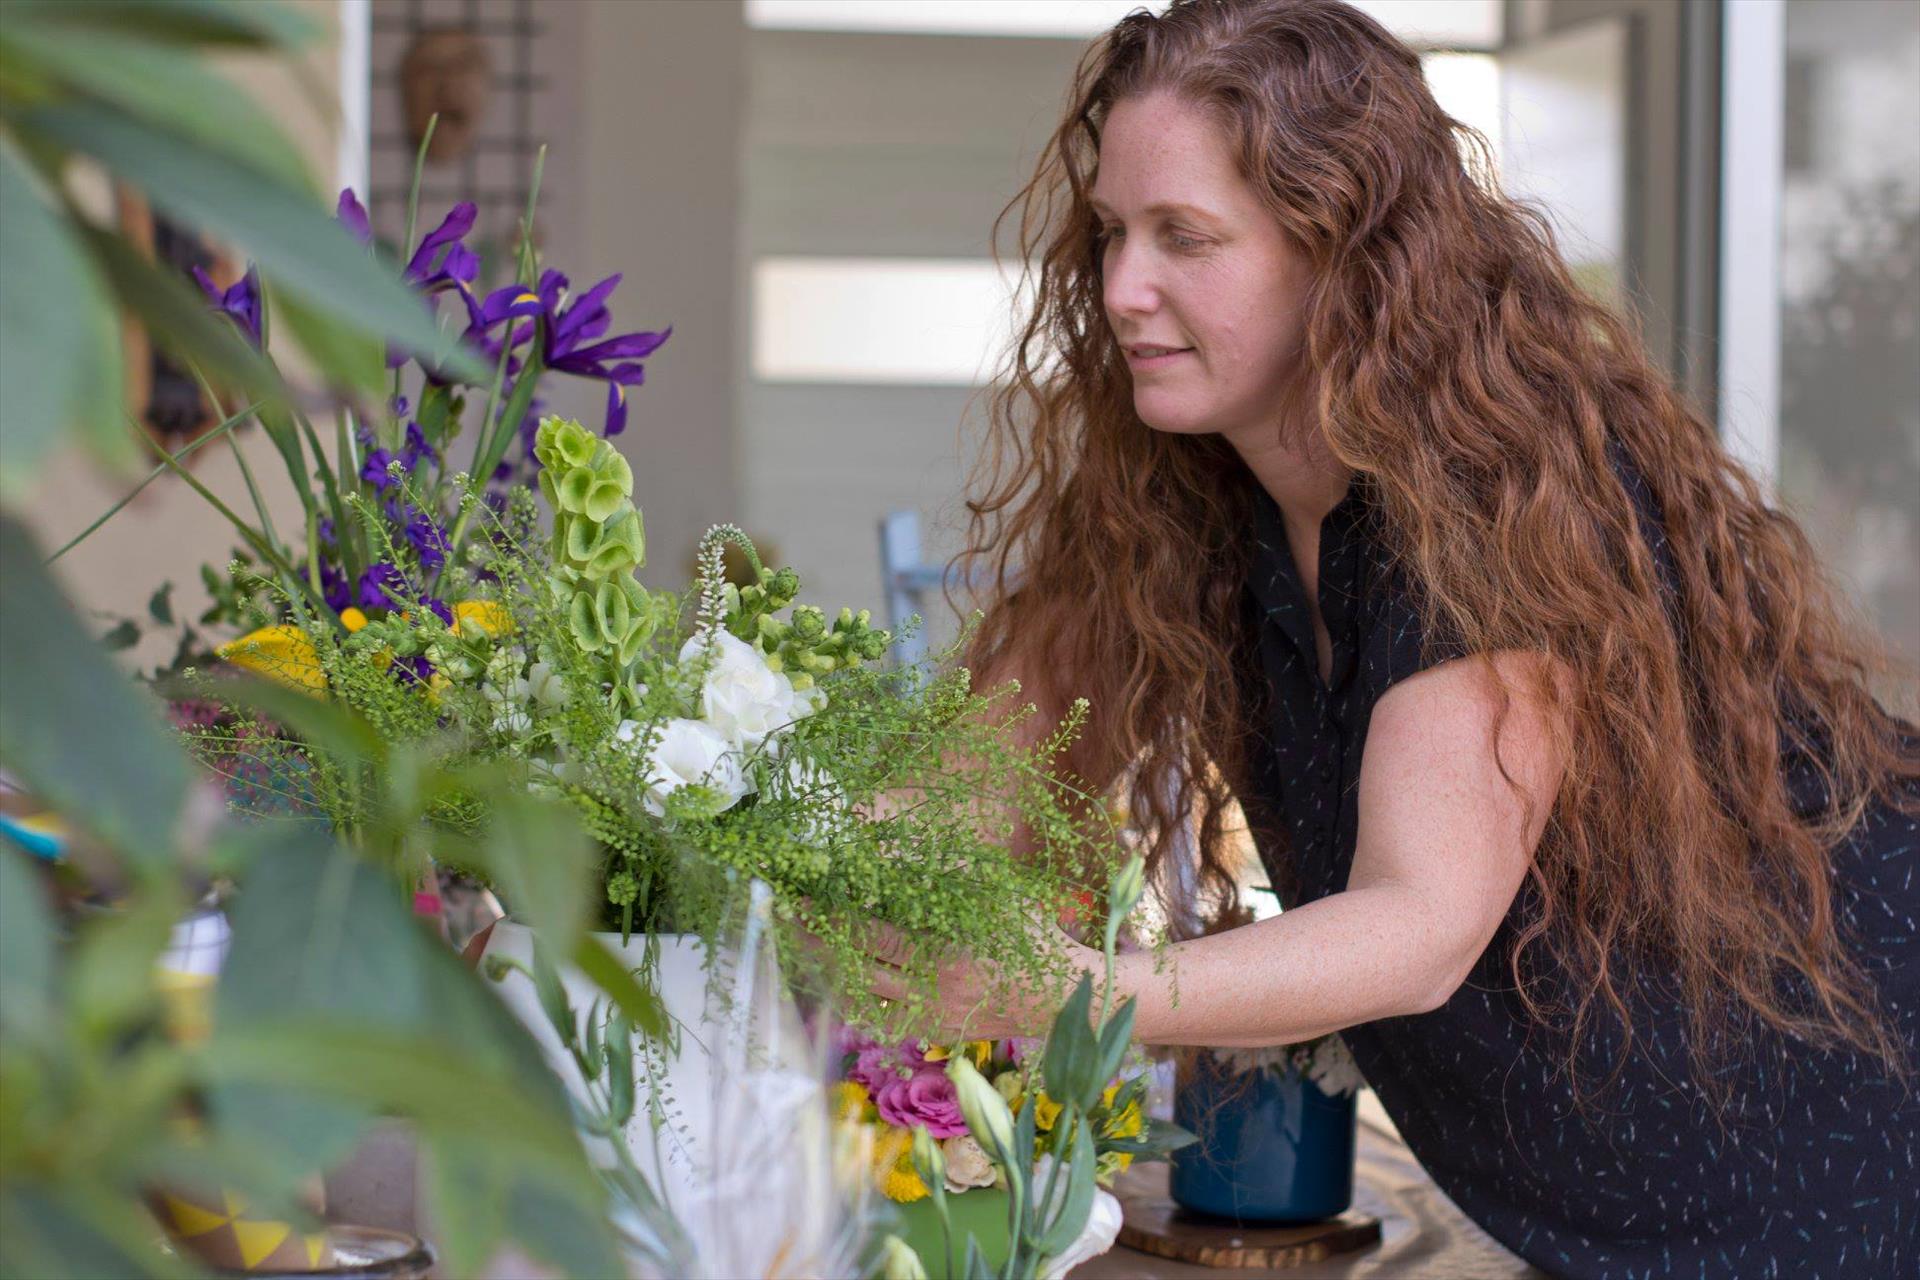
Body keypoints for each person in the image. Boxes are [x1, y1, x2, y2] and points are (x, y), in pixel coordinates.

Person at [865, 1, 1920, 1274]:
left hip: (1846, 1124)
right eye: (1111, 233)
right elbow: (968, 794)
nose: (1120, 288)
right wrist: (809, 875)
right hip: (1631, 1200)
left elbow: (1418, 925)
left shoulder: (1492, 495)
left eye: (1185, 238)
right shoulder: (1183, 499)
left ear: (1343, 254)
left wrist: (1074, 990)